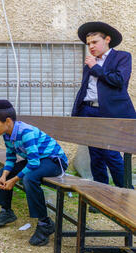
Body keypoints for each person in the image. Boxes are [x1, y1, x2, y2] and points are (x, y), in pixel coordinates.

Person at [0, 100, 69, 246]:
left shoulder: (26, 132)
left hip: (54, 161)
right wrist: (5, 176)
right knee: (3, 173)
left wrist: (14, 180)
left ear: (8, 121)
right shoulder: (7, 134)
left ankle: (45, 224)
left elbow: (34, 163)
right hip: (37, 159)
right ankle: (6, 212)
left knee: (29, 178)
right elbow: (11, 158)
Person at [72, 22, 136, 210]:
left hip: (110, 113)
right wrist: (78, 111)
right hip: (89, 111)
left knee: (111, 153)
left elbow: (119, 81)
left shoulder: (122, 57)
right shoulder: (90, 62)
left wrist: (95, 67)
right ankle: (101, 196)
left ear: (107, 40)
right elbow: (86, 88)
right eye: (88, 43)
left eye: (94, 42)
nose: (91, 46)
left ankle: (127, 194)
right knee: (96, 155)